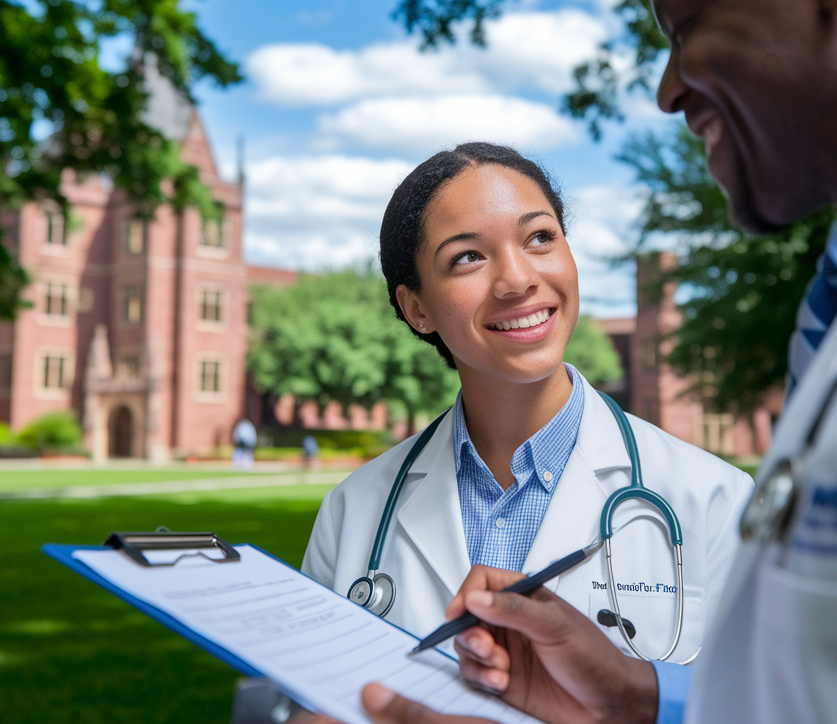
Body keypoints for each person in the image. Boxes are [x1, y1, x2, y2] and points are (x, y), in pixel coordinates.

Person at [315, 0, 837, 722]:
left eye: (689, 24)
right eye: (467, 258)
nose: (667, 91)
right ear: (411, 304)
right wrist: (639, 700)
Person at [301, 142, 753, 663]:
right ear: (416, 307)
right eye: (467, 256)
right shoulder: (353, 512)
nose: (517, 280)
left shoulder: (715, 502)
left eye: (540, 237)